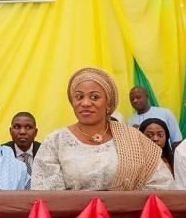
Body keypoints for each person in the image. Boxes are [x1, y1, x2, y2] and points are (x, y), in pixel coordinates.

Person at [32, 67, 174, 191]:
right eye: (79, 97)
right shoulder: (56, 141)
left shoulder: (133, 139)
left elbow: (162, 185)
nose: (85, 103)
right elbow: (46, 195)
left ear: (108, 103)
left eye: (94, 97)